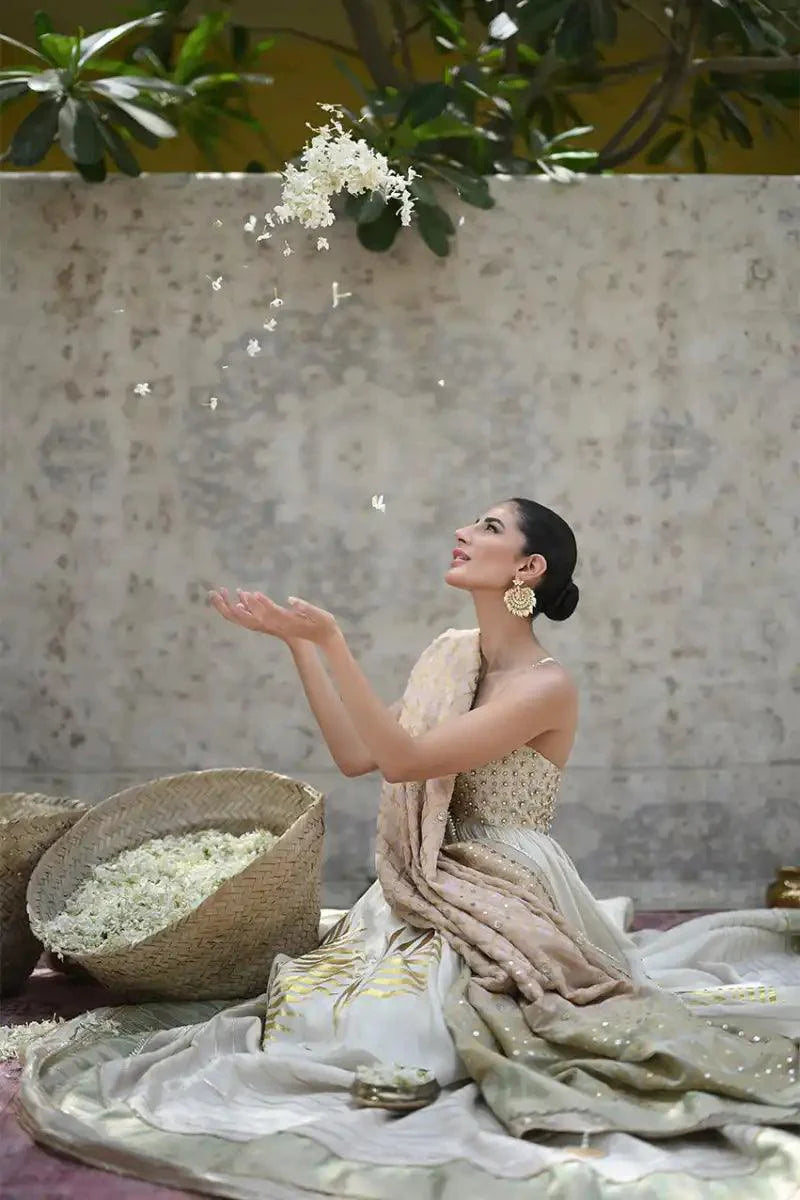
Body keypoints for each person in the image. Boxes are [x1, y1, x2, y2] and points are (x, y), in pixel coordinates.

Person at [19, 499, 800, 1200]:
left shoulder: (545, 685)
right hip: (427, 870)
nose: (462, 531)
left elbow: (405, 763)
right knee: (325, 1012)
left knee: (411, 1033)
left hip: (503, 876)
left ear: (528, 568)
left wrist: (333, 638)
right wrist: (301, 646)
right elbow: (358, 754)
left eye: (488, 527)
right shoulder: (452, 654)